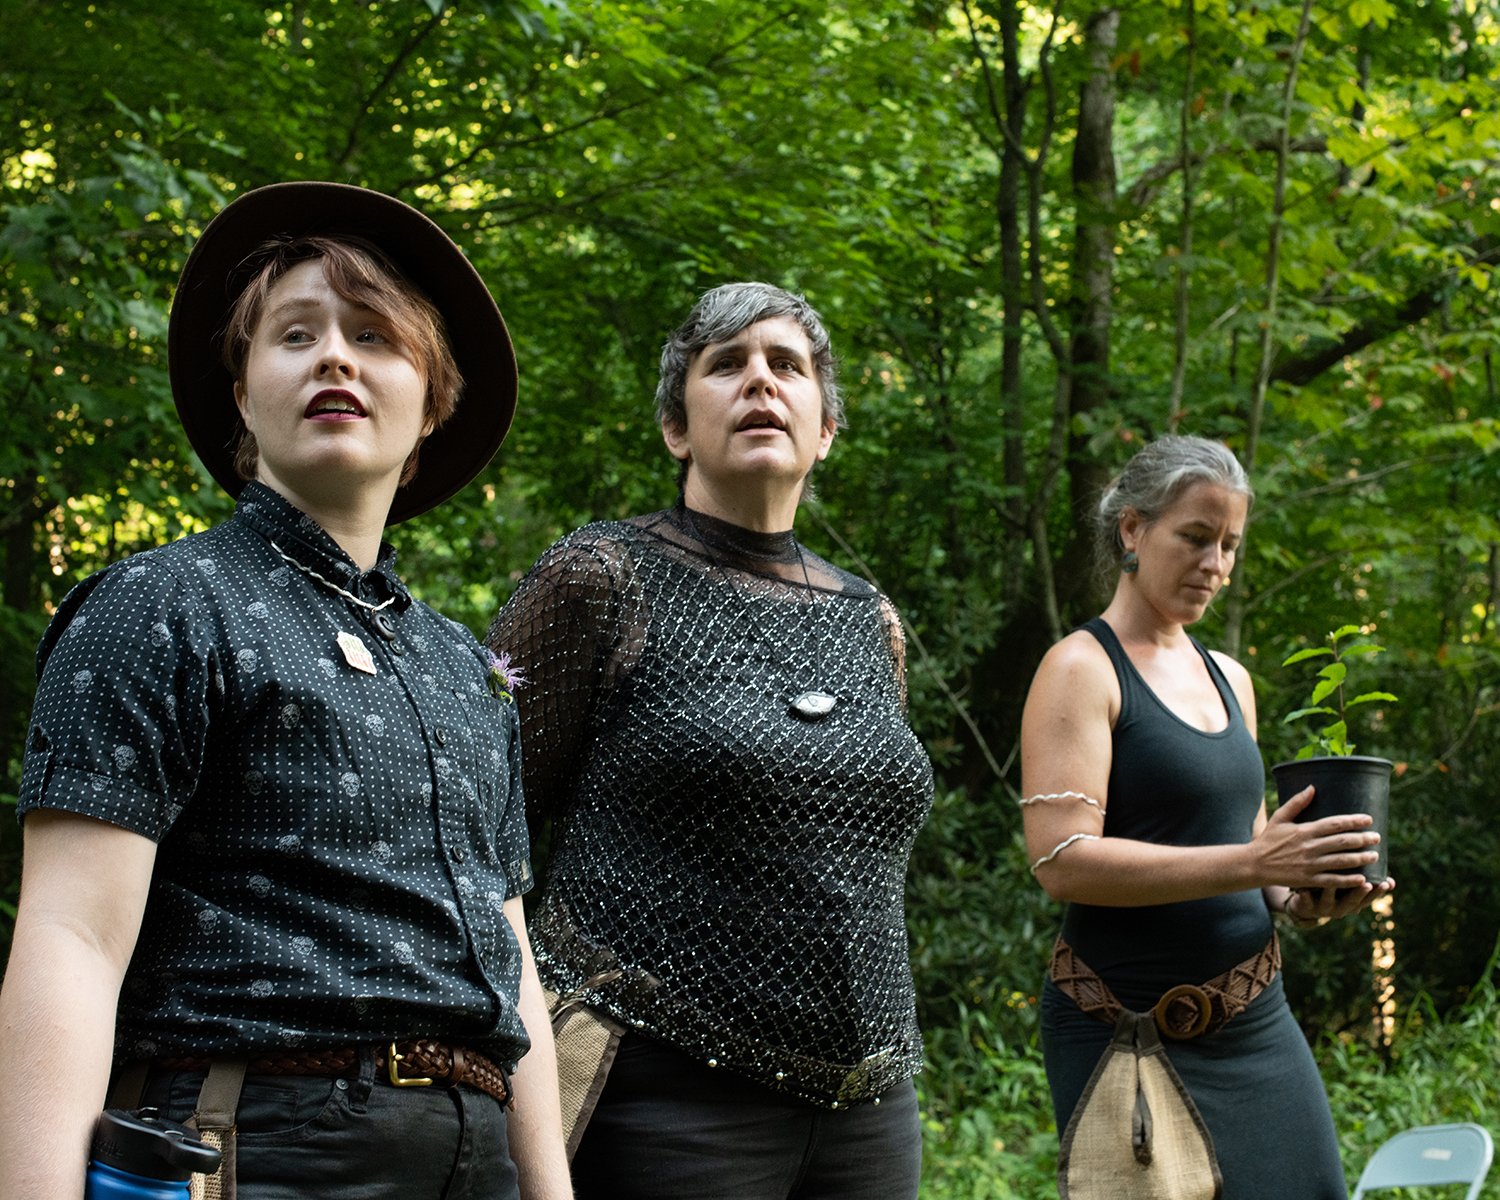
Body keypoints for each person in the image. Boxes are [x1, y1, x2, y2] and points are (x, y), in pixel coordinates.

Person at [0, 182, 571, 1199]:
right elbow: (71, 939)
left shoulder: (465, 669)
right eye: (295, 335)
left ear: (435, 399)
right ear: (242, 393)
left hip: (475, 1156)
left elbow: (510, 952)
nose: (336, 357)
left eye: (374, 337)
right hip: (248, 1146)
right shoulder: (159, 604)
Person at [484, 282, 934, 1199]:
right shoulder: (601, 578)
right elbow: (481, 827)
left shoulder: (869, 618)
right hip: (660, 1093)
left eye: (787, 366)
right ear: (676, 429)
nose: (759, 382)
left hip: (871, 1111)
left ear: (825, 429)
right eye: (725, 364)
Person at [1020, 434, 1396, 1199]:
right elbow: (1060, 860)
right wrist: (1257, 864)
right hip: (1128, 1030)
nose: (1216, 565)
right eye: (1195, 537)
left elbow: (1246, 839)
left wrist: (1299, 894)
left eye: (1229, 544)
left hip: (1257, 1021)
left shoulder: (1230, 678)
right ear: (1133, 529)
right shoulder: (1080, 669)